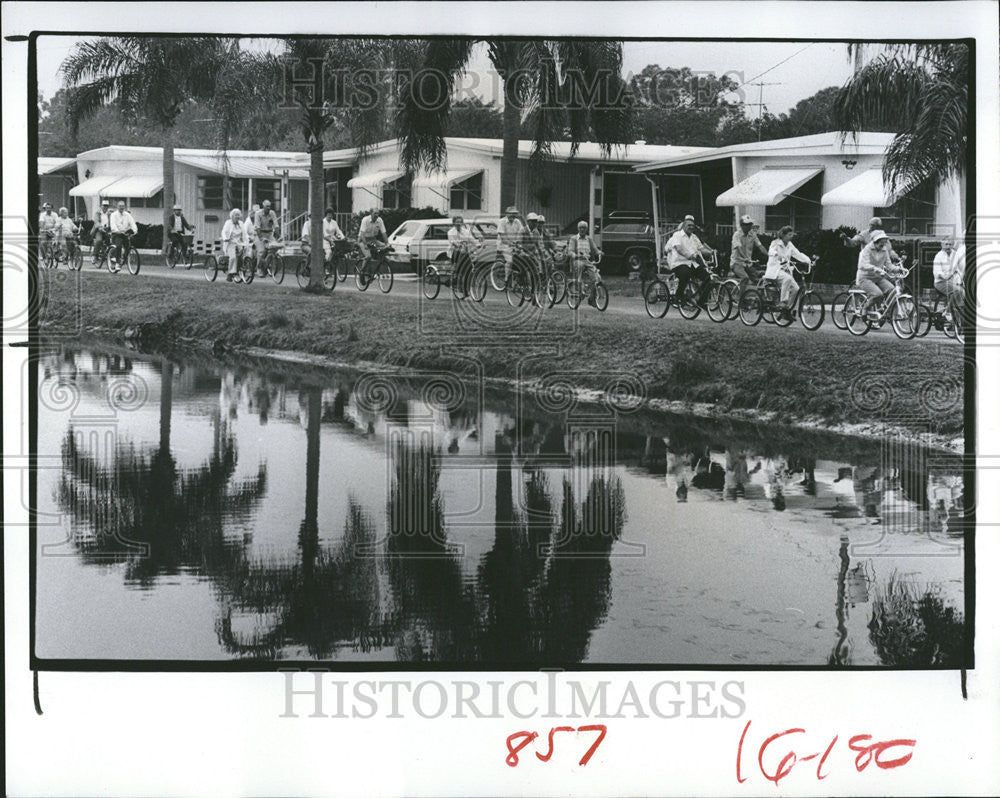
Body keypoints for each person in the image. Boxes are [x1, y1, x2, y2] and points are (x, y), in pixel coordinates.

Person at [664, 215, 713, 306]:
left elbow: (701, 249)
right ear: (684, 225)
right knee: (685, 274)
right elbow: (679, 248)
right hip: (678, 263)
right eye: (688, 225)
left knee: (708, 278)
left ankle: (701, 300)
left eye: (692, 225)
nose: (691, 227)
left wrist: (711, 252)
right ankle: (678, 296)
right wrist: (689, 255)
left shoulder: (694, 237)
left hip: (691, 264)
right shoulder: (677, 235)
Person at [764, 225, 812, 316]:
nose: (791, 236)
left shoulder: (790, 245)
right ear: (783, 235)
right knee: (788, 279)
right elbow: (770, 250)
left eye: (792, 234)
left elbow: (797, 254)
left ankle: (786, 311)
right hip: (775, 270)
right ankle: (783, 302)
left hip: (785, 271)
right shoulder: (775, 242)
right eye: (789, 234)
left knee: (796, 289)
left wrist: (808, 260)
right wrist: (777, 254)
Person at [855, 229, 905, 316]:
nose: (883, 245)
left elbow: (889, 265)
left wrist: (898, 269)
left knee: (892, 290)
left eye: (884, 243)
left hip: (878, 277)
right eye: (881, 243)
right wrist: (876, 269)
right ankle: (865, 308)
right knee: (878, 294)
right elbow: (863, 265)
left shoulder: (884, 250)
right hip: (865, 277)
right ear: (875, 242)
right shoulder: (867, 250)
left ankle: (887, 312)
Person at [567, 220, 602, 305]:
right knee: (579, 268)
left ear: (586, 229)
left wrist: (599, 252)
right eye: (580, 228)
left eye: (584, 228)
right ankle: (577, 289)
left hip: (587, 260)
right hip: (577, 260)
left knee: (595, 278)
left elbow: (594, 249)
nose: (582, 229)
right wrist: (574, 255)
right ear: (578, 229)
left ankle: (591, 298)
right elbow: (570, 251)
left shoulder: (589, 239)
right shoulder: (574, 239)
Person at [447, 214, 483, 292]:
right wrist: (459, 244)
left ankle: (465, 284)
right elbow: (453, 242)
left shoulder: (466, 231)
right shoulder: (450, 232)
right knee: (460, 265)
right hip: (454, 252)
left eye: (460, 222)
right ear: (454, 223)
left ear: (462, 223)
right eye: (457, 222)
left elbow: (472, 239)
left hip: (464, 252)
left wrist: (478, 244)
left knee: (468, 267)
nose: (458, 224)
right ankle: (456, 279)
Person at [729, 214, 768, 288]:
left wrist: (769, 255)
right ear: (742, 225)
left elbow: (760, 246)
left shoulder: (752, 234)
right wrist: (745, 258)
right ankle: (741, 299)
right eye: (747, 224)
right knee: (745, 278)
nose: (749, 226)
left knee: (759, 279)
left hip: (748, 264)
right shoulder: (736, 235)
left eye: (750, 224)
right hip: (737, 263)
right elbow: (739, 248)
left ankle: (755, 297)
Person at [497, 205, 526, 284]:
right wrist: (511, 243)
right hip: (504, 245)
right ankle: (507, 279)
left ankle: (519, 279)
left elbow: (521, 233)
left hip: (515, 245)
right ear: (507, 214)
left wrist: (519, 243)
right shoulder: (502, 222)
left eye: (514, 214)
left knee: (523, 258)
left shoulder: (517, 222)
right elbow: (503, 237)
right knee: (510, 261)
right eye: (511, 213)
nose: (513, 215)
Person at [221, 208, 248, 281]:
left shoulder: (241, 223)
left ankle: (241, 269)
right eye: (236, 215)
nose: (238, 217)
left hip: (239, 242)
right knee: (233, 257)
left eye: (239, 215)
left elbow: (245, 234)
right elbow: (223, 232)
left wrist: (246, 241)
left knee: (243, 254)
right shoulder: (228, 223)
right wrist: (225, 238)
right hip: (230, 243)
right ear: (232, 216)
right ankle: (230, 273)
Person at [358, 208, 388, 274]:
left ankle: (378, 267)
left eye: (378, 213)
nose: (376, 215)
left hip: (373, 239)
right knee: (368, 256)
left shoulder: (380, 220)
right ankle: (362, 272)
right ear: (371, 213)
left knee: (385, 247)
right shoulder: (365, 220)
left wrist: (387, 243)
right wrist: (365, 245)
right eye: (375, 213)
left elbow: (384, 233)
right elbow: (362, 234)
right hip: (363, 240)